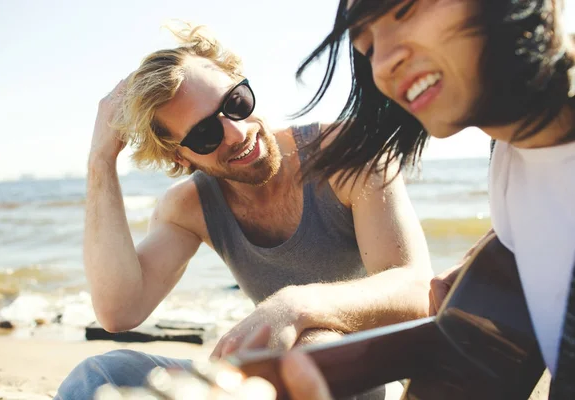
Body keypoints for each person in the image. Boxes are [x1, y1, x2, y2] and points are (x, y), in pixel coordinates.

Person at [138, 0, 574, 398]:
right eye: (365, 49)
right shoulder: (513, 159)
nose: (382, 62)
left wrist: (299, 306)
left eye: (405, 11)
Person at [55, 21, 432, 400]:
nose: (237, 133)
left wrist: (296, 305)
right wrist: (100, 160)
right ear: (179, 156)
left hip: (359, 373)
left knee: (313, 347)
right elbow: (120, 310)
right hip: (265, 380)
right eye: (205, 135)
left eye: (235, 103)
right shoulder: (190, 207)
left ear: (242, 80)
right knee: (100, 373)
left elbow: (415, 291)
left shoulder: (346, 154)